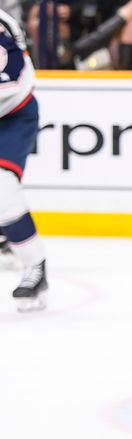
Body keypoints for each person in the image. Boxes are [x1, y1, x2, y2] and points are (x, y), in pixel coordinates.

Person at [0, 8, 48, 311]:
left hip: (13, 115)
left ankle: (35, 268)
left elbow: (14, 77)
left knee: (3, 188)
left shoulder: (3, 24)